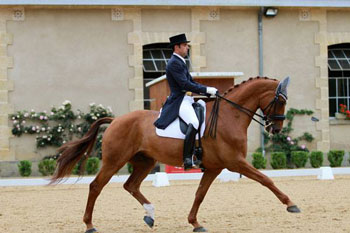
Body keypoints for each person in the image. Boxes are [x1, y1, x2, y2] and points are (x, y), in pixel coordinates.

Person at [154, 33, 218, 170]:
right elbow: (184, 85)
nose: (187, 47)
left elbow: (191, 82)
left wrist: (206, 92)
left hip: (187, 98)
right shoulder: (174, 63)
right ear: (177, 47)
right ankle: (187, 158)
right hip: (179, 100)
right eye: (184, 45)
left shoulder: (181, 62)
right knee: (194, 122)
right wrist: (206, 89)